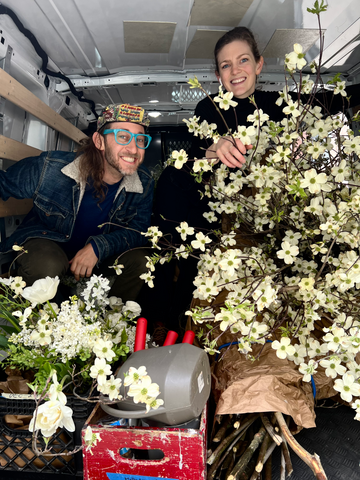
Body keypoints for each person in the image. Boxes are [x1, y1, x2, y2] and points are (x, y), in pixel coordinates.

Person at [0, 103, 154, 301]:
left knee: (143, 260)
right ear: (99, 141)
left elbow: (138, 230)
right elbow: (4, 183)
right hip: (50, 244)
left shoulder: (145, 181)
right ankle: (51, 323)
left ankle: (112, 321)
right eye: (122, 136)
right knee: (47, 265)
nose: (133, 148)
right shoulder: (50, 169)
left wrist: (99, 247)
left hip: (99, 259)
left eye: (140, 139)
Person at [191, 26, 360, 166]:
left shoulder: (279, 103)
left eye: (243, 60)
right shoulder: (208, 107)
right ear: (219, 76)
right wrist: (217, 147)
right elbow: (196, 155)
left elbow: (330, 101)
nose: (235, 71)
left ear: (258, 65)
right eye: (226, 65)